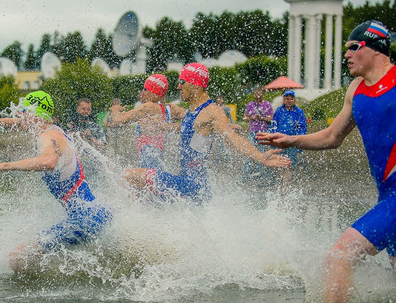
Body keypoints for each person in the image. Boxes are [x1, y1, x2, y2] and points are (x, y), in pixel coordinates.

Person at [257, 20, 396, 303]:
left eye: (352, 47)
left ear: (374, 48)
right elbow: (332, 137)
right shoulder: (356, 90)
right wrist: (290, 140)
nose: (345, 54)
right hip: (391, 196)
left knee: (340, 255)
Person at [0, 91, 112, 272]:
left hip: (83, 220)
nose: (19, 117)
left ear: (34, 115)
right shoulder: (54, 130)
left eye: (23, 112)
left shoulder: (46, 138)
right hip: (95, 214)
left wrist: (2, 166)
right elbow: (20, 123)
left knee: (17, 259)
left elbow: (48, 162)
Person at [123, 63, 290, 203]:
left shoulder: (212, 111)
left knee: (128, 176)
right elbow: (190, 129)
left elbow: (233, 139)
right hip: (189, 184)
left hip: (191, 185)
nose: (178, 86)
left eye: (182, 82)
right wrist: (163, 127)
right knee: (151, 199)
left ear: (195, 84)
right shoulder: (194, 109)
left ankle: (136, 224)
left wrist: (260, 157)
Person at [109, 74, 185, 170]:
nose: (142, 93)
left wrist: (115, 109)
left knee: (126, 177)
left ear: (154, 92)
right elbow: (192, 120)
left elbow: (118, 121)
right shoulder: (170, 109)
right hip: (158, 160)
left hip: (148, 160)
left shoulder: (149, 107)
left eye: (145, 89)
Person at [269, 90, 307, 186]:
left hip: (291, 142)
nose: (289, 101)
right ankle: (280, 181)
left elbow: (302, 127)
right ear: (284, 100)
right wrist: (273, 137)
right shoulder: (279, 111)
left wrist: (299, 140)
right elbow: (273, 124)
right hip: (279, 142)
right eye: (287, 99)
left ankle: (286, 184)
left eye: (291, 99)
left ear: (294, 100)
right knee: (278, 162)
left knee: (289, 163)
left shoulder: (299, 112)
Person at [243, 86, 274, 178]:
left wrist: (262, 118)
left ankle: (258, 171)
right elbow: (245, 118)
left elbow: (271, 118)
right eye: (256, 93)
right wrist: (252, 118)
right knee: (249, 150)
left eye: (259, 93)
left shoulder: (267, 105)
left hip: (263, 131)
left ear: (262, 93)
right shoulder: (250, 105)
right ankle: (246, 172)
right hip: (252, 131)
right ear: (254, 94)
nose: (258, 95)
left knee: (261, 151)